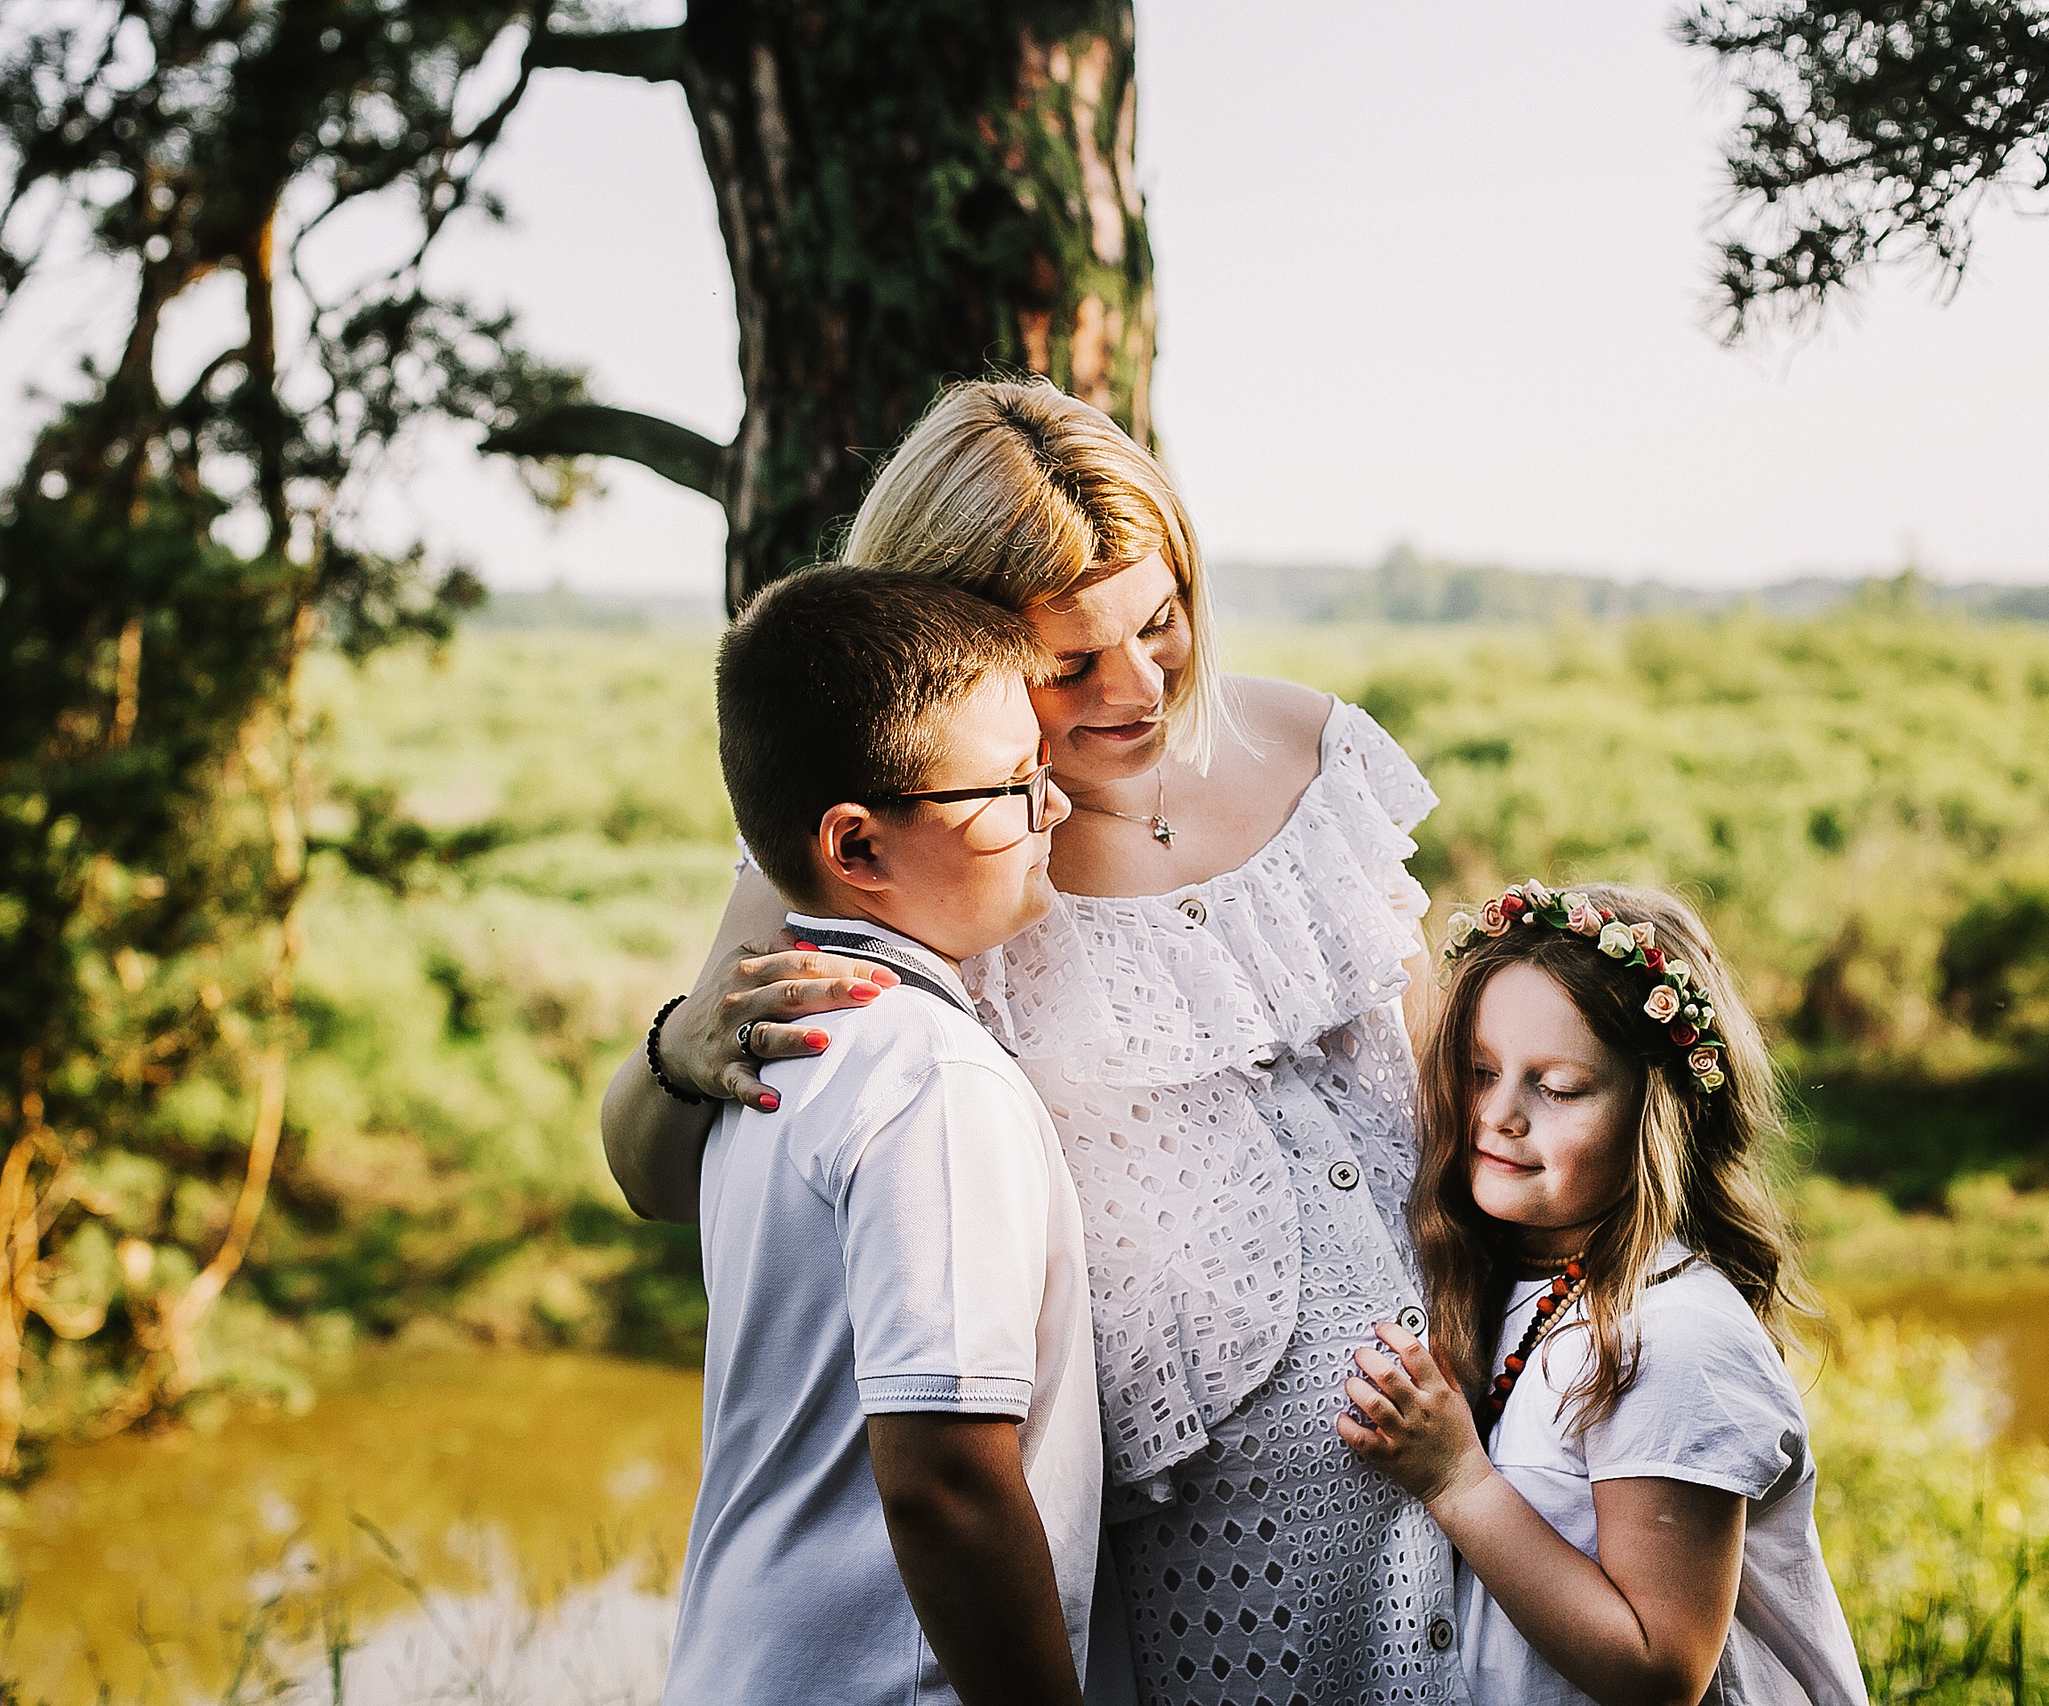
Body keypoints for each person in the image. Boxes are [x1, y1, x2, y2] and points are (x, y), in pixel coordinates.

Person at [607, 379, 1471, 1706]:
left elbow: (1443, 1114)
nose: (1136, 689)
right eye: (1069, 663)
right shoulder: (933, 849)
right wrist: (682, 1047)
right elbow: (660, 1172)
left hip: (1447, 1499)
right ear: (947, 643)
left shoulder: (1311, 748)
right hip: (1179, 1568)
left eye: (1163, 617)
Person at [660, 565, 1104, 1706]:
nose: (1052, 807)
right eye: (1010, 787)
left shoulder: (769, 1050)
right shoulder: (930, 1076)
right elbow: (947, 1481)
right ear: (856, 848)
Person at [1337, 880, 1866, 1706]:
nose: (1500, 1114)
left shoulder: (1674, 1335)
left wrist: (1457, 1481)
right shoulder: (1518, 1281)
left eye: (1559, 1087)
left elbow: (1660, 1670)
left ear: (1659, 1114)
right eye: (1480, 1071)